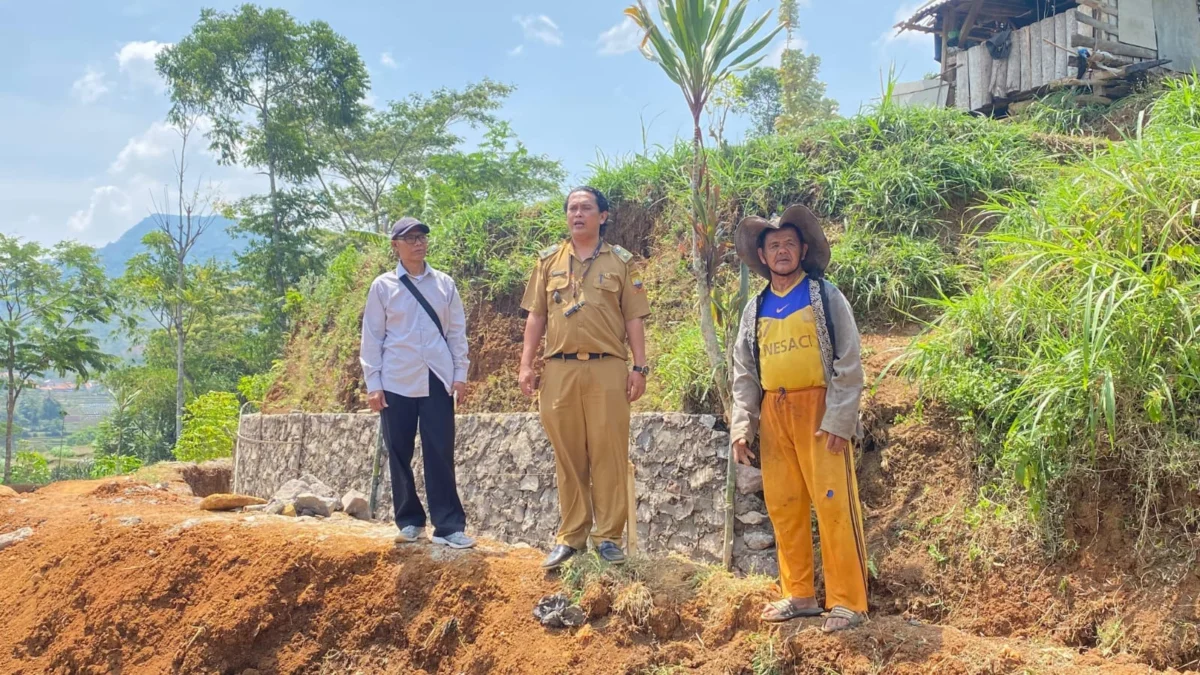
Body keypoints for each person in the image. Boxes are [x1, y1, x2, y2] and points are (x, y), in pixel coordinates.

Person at [729, 204, 868, 633]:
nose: (783, 251)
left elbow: (849, 362)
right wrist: (742, 425)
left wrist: (839, 419)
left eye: (790, 243)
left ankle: (848, 602)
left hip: (820, 412)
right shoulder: (754, 309)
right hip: (775, 415)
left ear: (803, 249)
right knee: (785, 507)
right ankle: (800, 595)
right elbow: (744, 372)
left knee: (833, 505)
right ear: (763, 257)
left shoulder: (826, 296)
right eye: (774, 246)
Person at [518, 186, 651, 569]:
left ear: (603, 216)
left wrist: (639, 367)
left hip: (607, 367)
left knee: (609, 451)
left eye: (586, 208)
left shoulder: (621, 263)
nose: (578, 214)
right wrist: (527, 364)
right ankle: (571, 536)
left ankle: (608, 537)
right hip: (558, 369)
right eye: (572, 208)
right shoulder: (548, 261)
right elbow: (536, 317)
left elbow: (633, 318)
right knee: (568, 453)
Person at [360, 216, 475, 549]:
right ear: (395, 245)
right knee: (399, 451)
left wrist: (460, 375)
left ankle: (449, 526)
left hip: (437, 377)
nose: (418, 243)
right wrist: (373, 382)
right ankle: (409, 521)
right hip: (396, 378)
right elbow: (372, 336)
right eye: (409, 238)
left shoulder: (444, 284)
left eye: (422, 236)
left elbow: (456, 332)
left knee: (440, 450)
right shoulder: (383, 286)